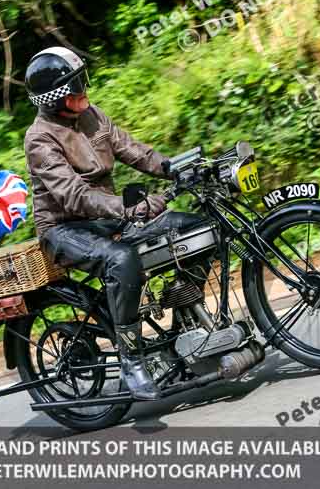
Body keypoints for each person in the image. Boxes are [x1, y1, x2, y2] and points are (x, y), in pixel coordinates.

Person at [23, 46, 206, 401]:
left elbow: (132, 150)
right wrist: (127, 208)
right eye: (75, 86)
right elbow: (75, 196)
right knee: (121, 260)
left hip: (106, 218)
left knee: (194, 229)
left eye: (82, 81)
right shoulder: (40, 139)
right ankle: (131, 359)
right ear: (54, 98)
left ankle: (187, 322)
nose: (84, 90)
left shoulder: (92, 116)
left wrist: (174, 168)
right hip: (65, 229)